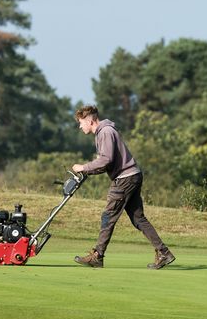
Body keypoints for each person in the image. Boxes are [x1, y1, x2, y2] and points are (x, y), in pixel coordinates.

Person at [69, 105, 175, 269]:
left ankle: (98, 256)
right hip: (132, 175)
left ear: (90, 120)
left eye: (81, 122)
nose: (79, 126)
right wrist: (88, 171)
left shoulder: (105, 132)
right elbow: (105, 164)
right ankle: (164, 253)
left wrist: (83, 167)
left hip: (124, 179)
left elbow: (106, 160)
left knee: (108, 216)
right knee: (138, 218)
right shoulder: (104, 132)